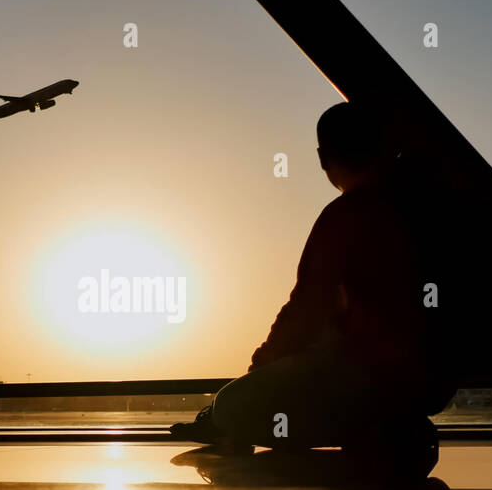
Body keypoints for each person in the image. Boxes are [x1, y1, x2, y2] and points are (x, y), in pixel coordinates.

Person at [171, 99, 456, 451]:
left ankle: (376, 428)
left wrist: (261, 366)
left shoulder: (346, 215)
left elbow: (307, 306)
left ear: (323, 158)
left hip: (365, 378)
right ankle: (390, 425)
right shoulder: (433, 210)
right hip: (432, 383)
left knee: (233, 406)